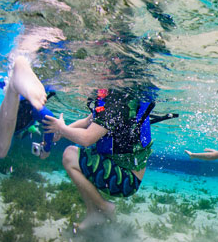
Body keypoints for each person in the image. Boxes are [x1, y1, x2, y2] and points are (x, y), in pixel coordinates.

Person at [43, 88, 155, 229]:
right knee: (79, 154)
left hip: (126, 180)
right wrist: (61, 130)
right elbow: (87, 122)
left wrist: (62, 129)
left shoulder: (116, 105)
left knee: (69, 155)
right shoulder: (115, 101)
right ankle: (93, 213)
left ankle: (105, 207)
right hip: (119, 169)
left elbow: (87, 138)